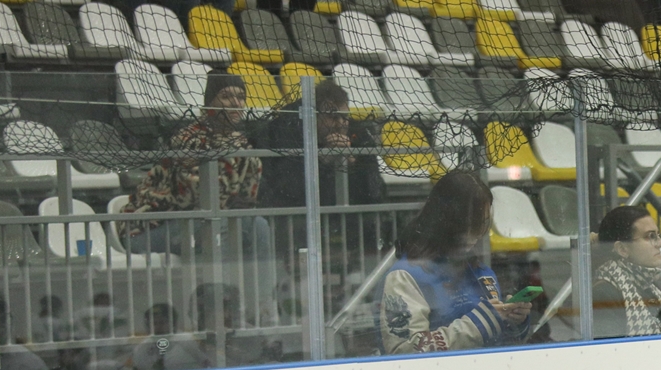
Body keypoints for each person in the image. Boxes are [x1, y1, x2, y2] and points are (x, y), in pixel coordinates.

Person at [124, 73, 270, 282]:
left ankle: (261, 304)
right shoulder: (189, 139)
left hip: (201, 223)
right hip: (150, 230)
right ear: (210, 102)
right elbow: (200, 198)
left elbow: (246, 199)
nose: (235, 103)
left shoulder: (241, 144)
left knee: (258, 226)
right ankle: (219, 299)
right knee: (216, 225)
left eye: (240, 97)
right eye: (226, 96)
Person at [379, 170, 532, 354]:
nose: (475, 235)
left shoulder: (481, 273)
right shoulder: (404, 277)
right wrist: (481, 323)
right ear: (444, 221)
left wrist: (513, 321)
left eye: (481, 224)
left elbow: (502, 345)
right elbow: (403, 352)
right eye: (468, 225)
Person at [257, 79, 383, 213]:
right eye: (333, 117)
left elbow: (377, 192)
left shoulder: (360, 136)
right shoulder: (290, 135)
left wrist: (353, 164)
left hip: (353, 221)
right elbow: (286, 190)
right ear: (315, 117)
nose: (340, 124)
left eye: (344, 117)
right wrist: (322, 160)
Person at [593, 205, 661, 339]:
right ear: (622, 249)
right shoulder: (604, 294)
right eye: (650, 236)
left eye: (658, 235)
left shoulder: (657, 288)